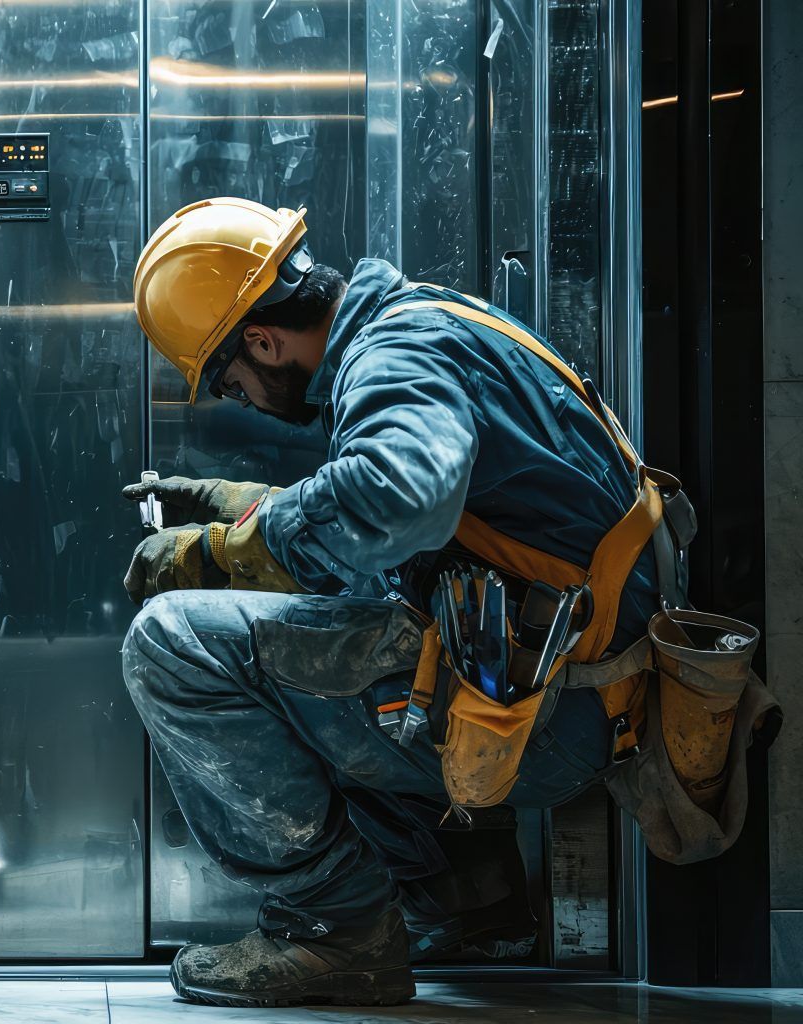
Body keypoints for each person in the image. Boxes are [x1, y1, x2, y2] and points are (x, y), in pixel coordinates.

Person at [120, 198, 680, 1008]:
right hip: (580, 686)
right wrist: (237, 503)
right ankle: (466, 901)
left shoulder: (391, 356)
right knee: (338, 621)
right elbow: (408, 532)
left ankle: (334, 932)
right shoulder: (421, 317)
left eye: (235, 383)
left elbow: (399, 497)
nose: (242, 398)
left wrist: (222, 552)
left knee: (173, 644)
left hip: (558, 713)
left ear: (263, 340)